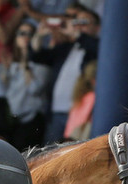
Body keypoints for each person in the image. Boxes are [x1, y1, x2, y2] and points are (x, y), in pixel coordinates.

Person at [31, 5, 99, 144]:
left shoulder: (98, 46)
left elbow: (95, 48)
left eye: (84, 22)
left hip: (80, 113)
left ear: (97, 28)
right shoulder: (67, 47)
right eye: (77, 22)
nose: (79, 26)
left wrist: (78, 35)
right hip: (56, 111)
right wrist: (39, 35)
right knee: (50, 154)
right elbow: (38, 57)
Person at [1, 20, 50, 150]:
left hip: (31, 121)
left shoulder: (41, 63)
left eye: (30, 34)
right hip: (13, 121)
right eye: (22, 33)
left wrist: (27, 68)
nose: (26, 37)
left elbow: (35, 89)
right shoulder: (12, 65)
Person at [63, 60, 96, 142]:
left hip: (69, 135)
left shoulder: (81, 95)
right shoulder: (91, 97)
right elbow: (84, 120)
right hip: (75, 138)